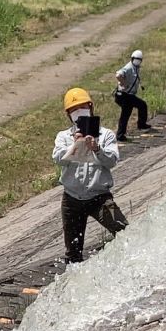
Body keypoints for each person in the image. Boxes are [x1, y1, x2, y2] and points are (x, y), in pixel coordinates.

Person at [53, 88, 128, 264]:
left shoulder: (105, 134)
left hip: (99, 198)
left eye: (83, 107)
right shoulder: (64, 136)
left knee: (124, 230)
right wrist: (75, 144)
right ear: (68, 114)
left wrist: (97, 148)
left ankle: (123, 262)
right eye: (74, 109)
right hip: (72, 199)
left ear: (91, 107)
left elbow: (112, 161)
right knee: (73, 251)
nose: (79, 112)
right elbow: (58, 158)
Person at [112, 49, 152, 141]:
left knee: (141, 106)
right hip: (124, 95)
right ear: (132, 58)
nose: (137, 61)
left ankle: (141, 125)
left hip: (129, 95)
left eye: (139, 60)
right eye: (136, 59)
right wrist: (123, 83)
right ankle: (120, 135)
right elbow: (118, 75)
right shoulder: (129, 67)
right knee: (126, 113)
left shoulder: (136, 67)